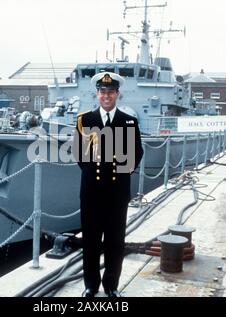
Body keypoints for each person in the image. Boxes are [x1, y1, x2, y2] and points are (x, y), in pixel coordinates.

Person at [73, 72, 144, 297]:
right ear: (97, 94)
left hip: (117, 192)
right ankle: (91, 285)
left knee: (115, 241)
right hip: (91, 191)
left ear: (117, 94)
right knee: (91, 241)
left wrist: (121, 173)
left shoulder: (128, 121)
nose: (106, 96)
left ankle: (111, 285)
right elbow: (79, 155)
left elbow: (136, 153)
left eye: (110, 92)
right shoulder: (85, 120)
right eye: (102, 92)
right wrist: (96, 171)